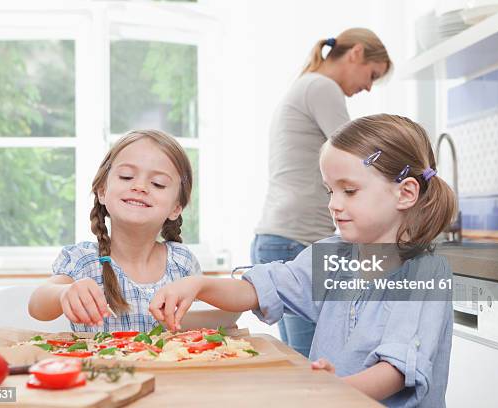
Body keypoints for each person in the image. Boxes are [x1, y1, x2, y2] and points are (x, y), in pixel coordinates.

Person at [150, 114, 457, 406]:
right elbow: (259, 289)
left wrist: (332, 390)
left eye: (349, 191)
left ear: (405, 193)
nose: (334, 205)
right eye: (330, 191)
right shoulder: (333, 256)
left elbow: (396, 371)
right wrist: (200, 284)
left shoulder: (426, 273)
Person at [253, 28, 392, 357]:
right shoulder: (322, 87)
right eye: (372, 75)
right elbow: (359, 156)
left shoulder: (306, 85)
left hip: (277, 234)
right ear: (356, 53)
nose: (369, 87)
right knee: (317, 364)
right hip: (296, 239)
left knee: (301, 362)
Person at [28, 130, 200, 333]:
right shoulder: (83, 260)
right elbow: (37, 305)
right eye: (126, 176)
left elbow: (231, 302)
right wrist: (64, 293)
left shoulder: (182, 262)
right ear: (102, 191)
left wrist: (207, 291)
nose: (140, 186)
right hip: (102, 365)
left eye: (158, 184)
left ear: (176, 208)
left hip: (168, 364)